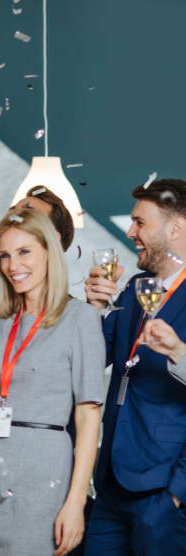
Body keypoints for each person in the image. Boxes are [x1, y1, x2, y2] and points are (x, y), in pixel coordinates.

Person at [0, 209, 104, 556]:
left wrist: (75, 503)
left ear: (49, 253)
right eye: (4, 255)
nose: (13, 265)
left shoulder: (81, 318)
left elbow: (88, 417)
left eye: (25, 251)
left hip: (43, 467)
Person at [84, 178, 186, 554]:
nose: (130, 232)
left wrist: (176, 495)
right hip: (110, 482)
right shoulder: (134, 286)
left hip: (164, 493)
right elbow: (92, 360)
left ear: (175, 227)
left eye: (140, 223)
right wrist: (91, 311)